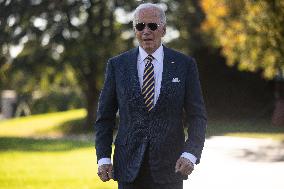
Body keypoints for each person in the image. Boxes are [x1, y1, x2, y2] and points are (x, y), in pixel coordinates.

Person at [95, 3, 207, 189]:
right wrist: (103, 157)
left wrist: (190, 154)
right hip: (128, 167)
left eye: (152, 26)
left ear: (163, 29)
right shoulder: (117, 66)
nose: (146, 31)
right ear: (134, 30)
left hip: (171, 167)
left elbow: (198, 116)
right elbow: (104, 118)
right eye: (140, 26)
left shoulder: (184, 64)